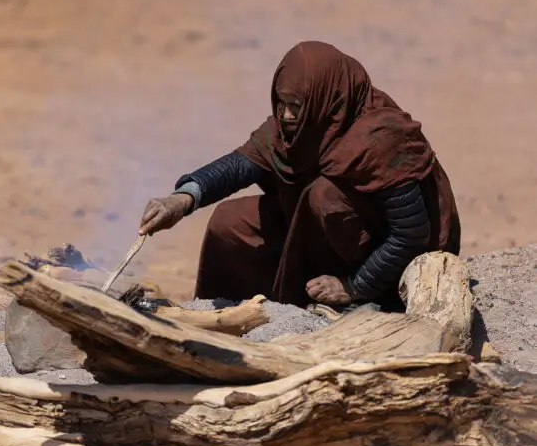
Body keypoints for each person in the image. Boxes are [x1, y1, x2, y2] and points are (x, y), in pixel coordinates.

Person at [138, 41, 460, 310]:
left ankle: (353, 304)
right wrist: (183, 200)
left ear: (323, 99)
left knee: (325, 197)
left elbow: (411, 233)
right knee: (231, 220)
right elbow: (241, 165)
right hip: (327, 238)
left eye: (297, 106)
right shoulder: (302, 124)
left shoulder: (381, 137)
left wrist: (355, 286)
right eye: (283, 103)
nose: (288, 116)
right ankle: (227, 309)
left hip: (394, 262)